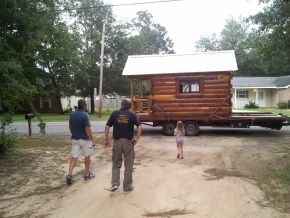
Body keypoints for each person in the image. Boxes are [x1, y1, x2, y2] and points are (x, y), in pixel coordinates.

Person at [104, 99, 142, 194]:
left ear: (121, 105)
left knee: (116, 163)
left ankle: (115, 184)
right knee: (128, 165)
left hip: (117, 142)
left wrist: (106, 139)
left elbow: (107, 126)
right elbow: (140, 127)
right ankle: (127, 188)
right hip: (128, 142)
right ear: (129, 106)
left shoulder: (114, 113)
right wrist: (137, 138)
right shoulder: (132, 115)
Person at [66, 99, 95, 185]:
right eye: (86, 105)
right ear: (84, 106)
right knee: (87, 156)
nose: (87, 106)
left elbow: (70, 126)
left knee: (74, 157)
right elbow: (88, 129)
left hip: (75, 139)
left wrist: (74, 134)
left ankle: (69, 175)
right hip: (84, 140)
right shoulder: (85, 115)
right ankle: (87, 174)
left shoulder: (72, 114)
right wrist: (92, 140)